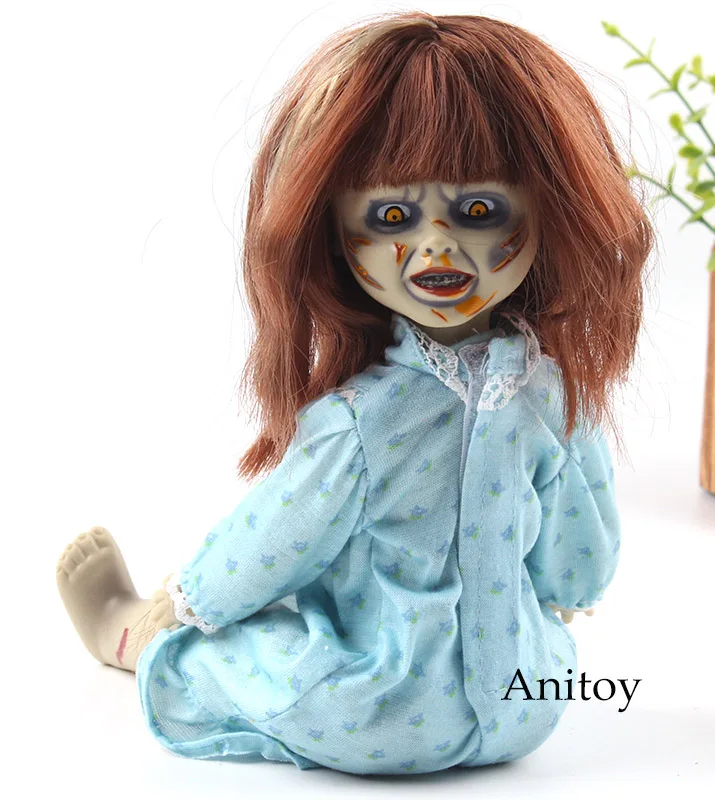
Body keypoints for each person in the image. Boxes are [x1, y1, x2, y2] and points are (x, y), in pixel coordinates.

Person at [56, 11, 653, 774]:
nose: (436, 247)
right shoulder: (550, 395)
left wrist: (187, 601)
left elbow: (266, 547)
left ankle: (136, 634)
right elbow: (579, 561)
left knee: (250, 654)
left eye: (478, 211)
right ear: (334, 233)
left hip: (383, 712)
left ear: (547, 211)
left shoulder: (364, 422)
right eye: (393, 216)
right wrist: (553, 600)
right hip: (528, 701)